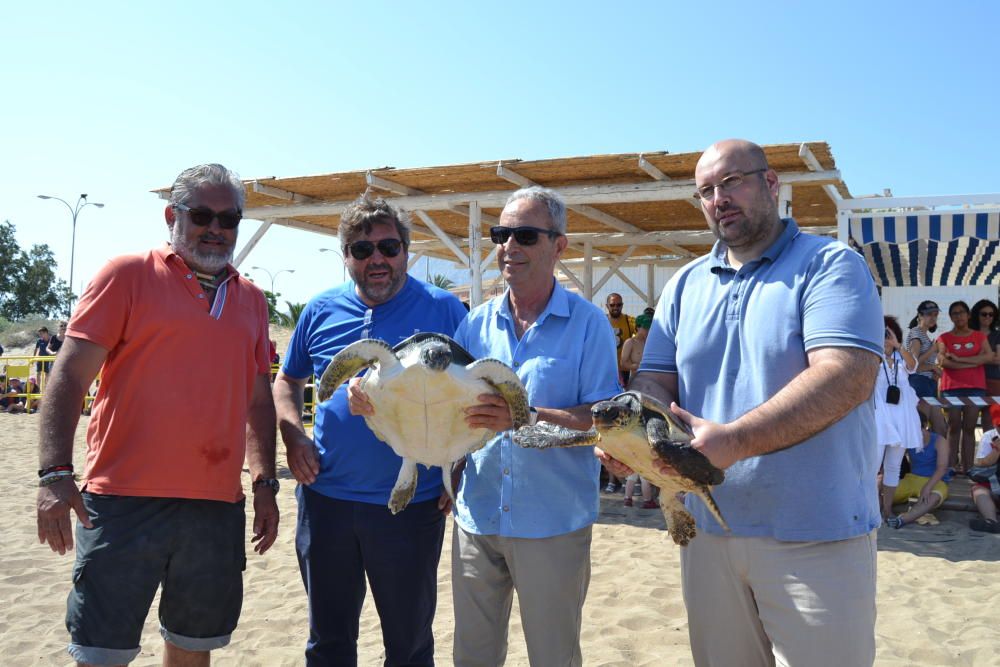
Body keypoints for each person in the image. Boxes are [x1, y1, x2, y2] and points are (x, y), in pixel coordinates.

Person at [614, 139, 883, 666]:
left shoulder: (830, 265)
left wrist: (734, 441)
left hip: (815, 534)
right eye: (706, 191)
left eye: (731, 182)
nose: (719, 199)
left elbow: (847, 376)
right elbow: (655, 381)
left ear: (771, 183)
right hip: (709, 532)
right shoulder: (685, 285)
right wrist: (633, 432)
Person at [35, 163, 279, 666]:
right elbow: (68, 377)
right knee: (101, 653)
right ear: (172, 215)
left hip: (215, 507)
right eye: (202, 215)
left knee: (192, 649)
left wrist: (263, 484)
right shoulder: (126, 275)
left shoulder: (252, 299)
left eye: (229, 218)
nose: (216, 228)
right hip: (122, 502)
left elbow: (259, 403)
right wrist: (54, 474)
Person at [274, 194, 468, 666]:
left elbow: (475, 396)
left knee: (408, 644)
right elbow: (287, 380)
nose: (377, 259)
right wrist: (293, 435)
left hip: (411, 503)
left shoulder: (446, 311)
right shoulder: (319, 311)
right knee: (329, 642)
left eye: (388, 246)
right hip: (326, 500)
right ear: (346, 257)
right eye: (362, 250)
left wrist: (459, 462)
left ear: (407, 249)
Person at [447, 186, 619, 666]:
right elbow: (455, 410)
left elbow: (604, 419)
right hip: (476, 517)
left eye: (524, 235)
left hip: (553, 524)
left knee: (553, 657)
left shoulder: (589, 325)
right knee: (472, 658)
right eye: (502, 234)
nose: (509, 247)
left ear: (559, 246)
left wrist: (525, 415)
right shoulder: (474, 324)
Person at [874, 316, 923, 520]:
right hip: (879, 416)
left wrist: (897, 345)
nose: (885, 337)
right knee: (873, 466)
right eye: (882, 332)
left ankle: (887, 510)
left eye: (889, 332)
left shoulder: (902, 357)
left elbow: (913, 367)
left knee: (893, 467)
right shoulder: (871, 355)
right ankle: (871, 508)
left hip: (901, 416)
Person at [936, 300, 994, 474]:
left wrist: (960, 360)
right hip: (951, 387)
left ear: (968, 315)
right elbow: (943, 361)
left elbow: (988, 357)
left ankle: (969, 468)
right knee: (953, 427)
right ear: (951, 317)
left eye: (962, 312)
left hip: (975, 387)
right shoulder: (944, 337)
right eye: (955, 313)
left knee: (969, 428)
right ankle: (951, 467)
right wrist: (973, 362)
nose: (959, 316)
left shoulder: (979, 336)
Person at [886, 412, 951, 529]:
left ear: (925, 425)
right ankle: (884, 513)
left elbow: (942, 468)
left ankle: (902, 520)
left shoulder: (939, 440)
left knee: (933, 497)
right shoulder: (908, 438)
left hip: (936, 480)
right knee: (885, 487)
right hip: (912, 478)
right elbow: (892, 461)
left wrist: (928, 487)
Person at [905, 300, 946, 435]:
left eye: (935, 314)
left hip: (927, 383)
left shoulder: (924, 335)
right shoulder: (916, 333)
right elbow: (912, 364)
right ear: (920, 316)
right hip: (918, 382)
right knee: (921, 428)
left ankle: (941, 455)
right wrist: (932, 364)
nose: (933, 317)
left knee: (940, 428)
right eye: (929, 314)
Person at [968, 404, 1000, 533]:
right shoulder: (989, 436)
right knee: (978, 490)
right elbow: (980, 463)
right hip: (994, 483)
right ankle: (991, 521)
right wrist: (997, 450)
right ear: (994, 424)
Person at [970, 299, 1000, 430]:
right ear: (977, 314)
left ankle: (993, 450)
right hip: (971, 381)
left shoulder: (998, 334)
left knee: (991, 425)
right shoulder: (969, 334)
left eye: (991, 314)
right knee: (968, 425)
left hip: (993, 381)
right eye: (984, 314)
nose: (988, 317)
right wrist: (989, 356)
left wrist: (975, 358)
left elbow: (998, 359)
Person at [605, 293, 636, 386]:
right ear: (607, 306)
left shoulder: (630, 321)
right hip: (605, 368)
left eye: (619, 305)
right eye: (612, 305)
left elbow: (643, 336)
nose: (615, 307)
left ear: (622, 305)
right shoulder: (600, 321)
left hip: (624, 370)